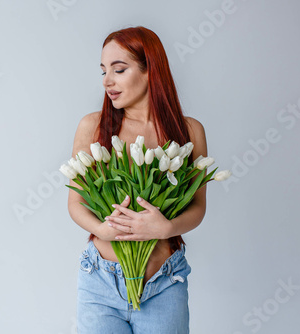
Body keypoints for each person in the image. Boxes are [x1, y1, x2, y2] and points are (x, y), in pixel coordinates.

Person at [67, 26, 208, 333]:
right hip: (100, 281)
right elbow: (76, 204)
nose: (107, 81)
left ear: (150, 72)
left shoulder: (188, 132)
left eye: (119, 69)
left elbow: (197, 208)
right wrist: (101, 229)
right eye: (104, 71)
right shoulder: (92, 127)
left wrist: (167, 228)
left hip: (164, 281)